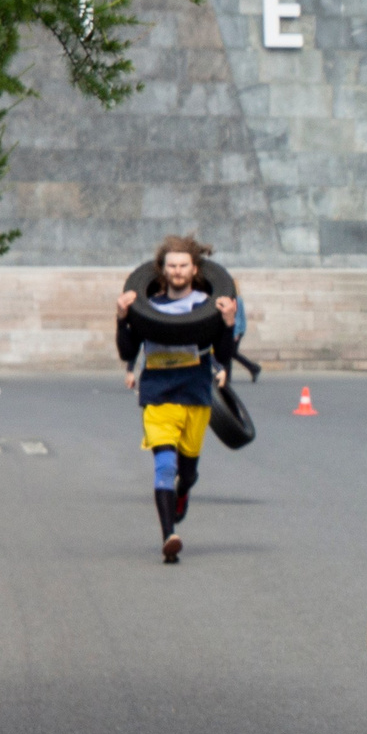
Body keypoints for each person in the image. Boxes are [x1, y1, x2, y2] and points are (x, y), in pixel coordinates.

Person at [116, 239, 240, 563]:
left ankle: (184, 490)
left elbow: (224, 356)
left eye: (183, 265)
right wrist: (121, 319)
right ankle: (169, 535)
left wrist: (227, 324)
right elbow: (128, 352)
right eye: (171, 266)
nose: (177, 271)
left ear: (195, 269)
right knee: (164, 465)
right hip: (158, 394)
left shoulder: (207, 305)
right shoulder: (148, 306)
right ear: (162, 270)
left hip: (195, 394)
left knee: (187, 470)